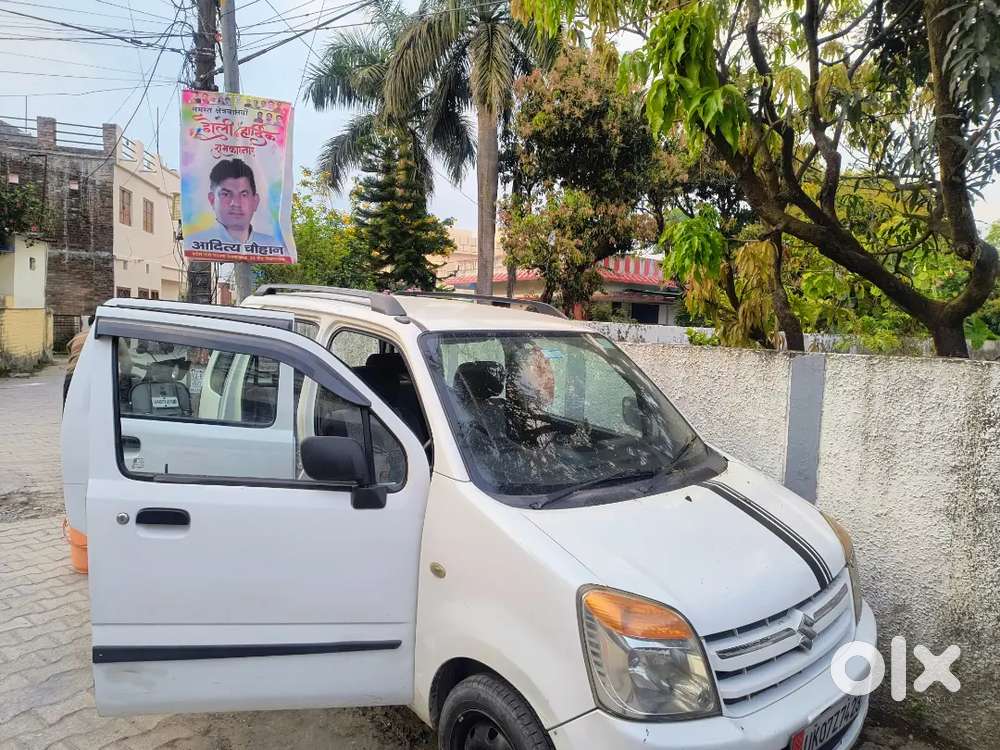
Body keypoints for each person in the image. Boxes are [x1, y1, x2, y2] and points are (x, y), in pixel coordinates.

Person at [187, 159, 277, 247]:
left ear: (255, 201)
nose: (236, 203)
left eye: (244, 194)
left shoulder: (272, 246)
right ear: (212, 199)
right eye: (226, 194)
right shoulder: (195, 244)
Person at [63, 315, 94, 405]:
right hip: (94, 378)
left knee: (69, 412)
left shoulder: (78, 336)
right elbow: (127, 364)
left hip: (71, 376)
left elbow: (70, 352)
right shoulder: (109, 336)